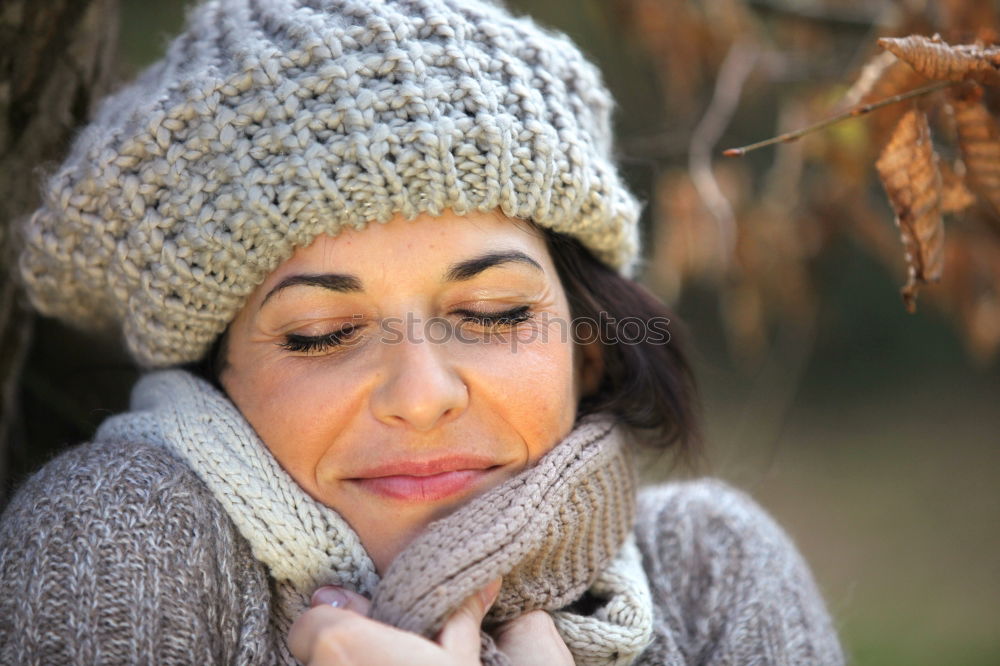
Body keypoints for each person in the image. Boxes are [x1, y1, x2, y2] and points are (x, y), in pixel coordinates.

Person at [0, 0, 844, 663]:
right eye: (325, 332)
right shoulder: (120, 536)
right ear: (217, 375)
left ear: (587, 344)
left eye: (493, 314)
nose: (422, 395)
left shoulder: (713, 571)